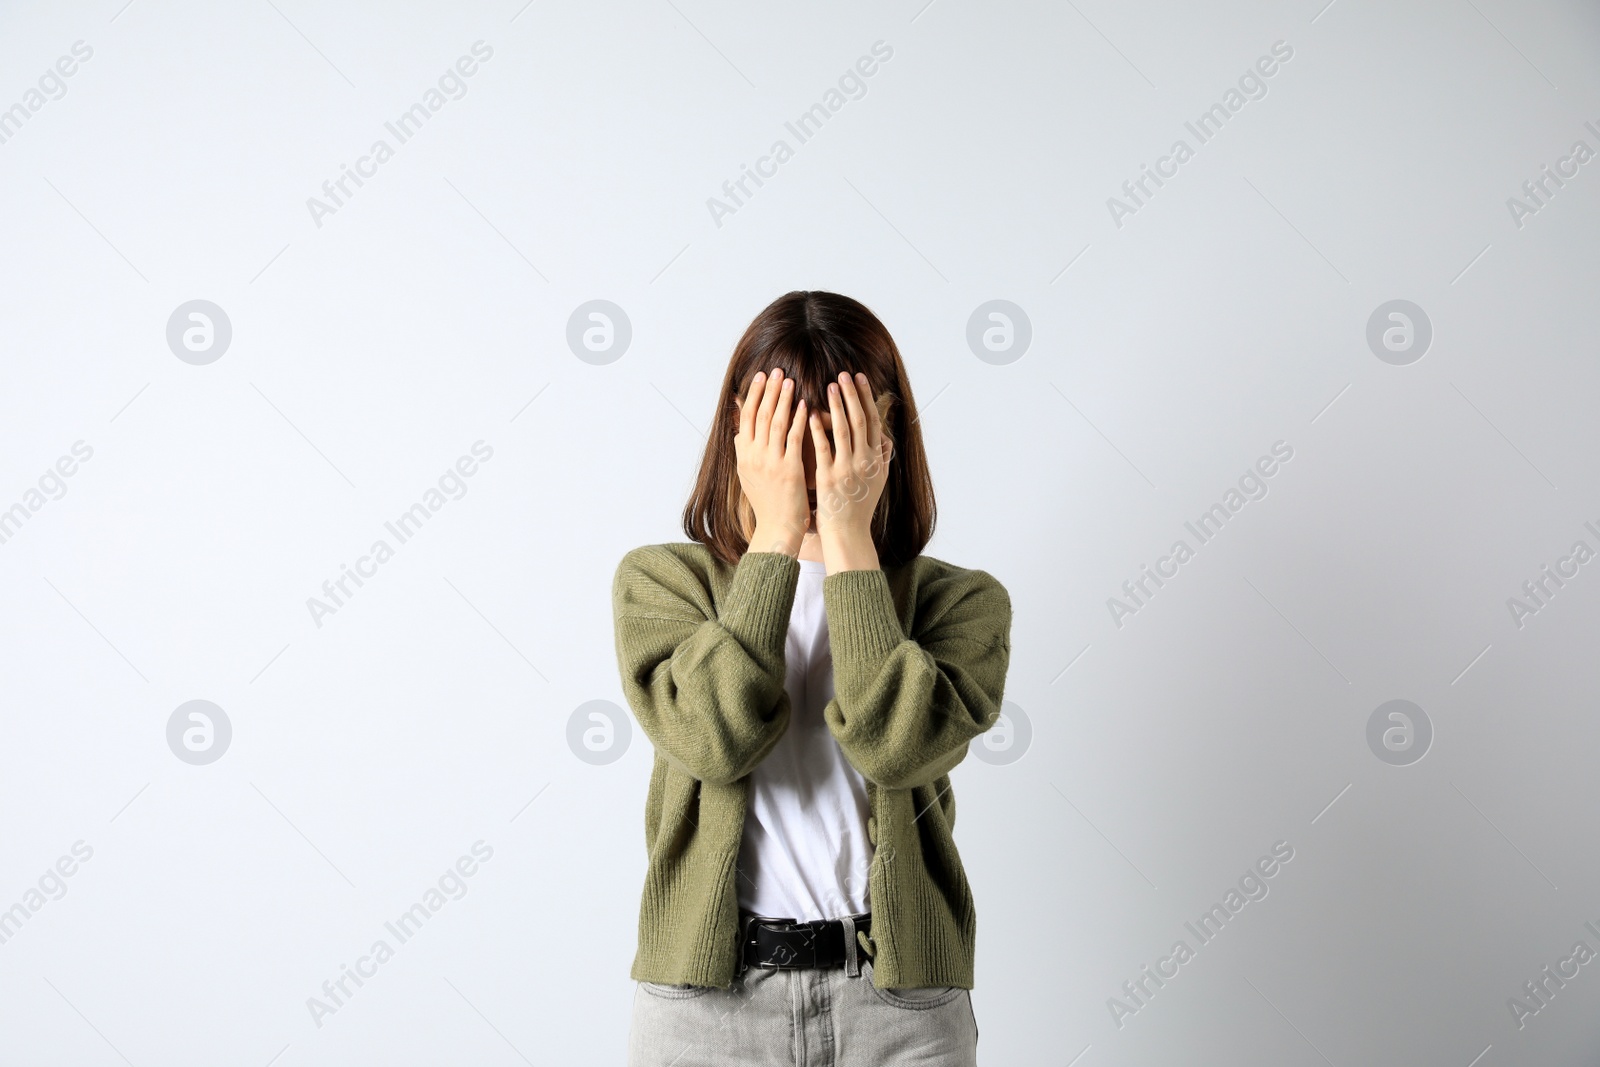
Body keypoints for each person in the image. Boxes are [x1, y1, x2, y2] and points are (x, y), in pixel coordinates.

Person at [613, 291, 1013, 1066]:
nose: (814, 466)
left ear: (886, 440)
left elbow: (898, 748)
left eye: (840, 439)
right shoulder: (661, 582)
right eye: (787, 438)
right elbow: (712, 739)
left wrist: (849, 539)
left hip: (902, 1008)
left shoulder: (960, 602)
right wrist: (771, 540)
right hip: (708, 1008)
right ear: (742, 434)